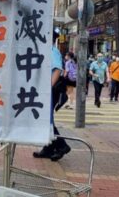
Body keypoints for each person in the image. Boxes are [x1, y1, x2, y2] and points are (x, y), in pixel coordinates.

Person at [33, 28, 70, 161]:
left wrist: (47, 87)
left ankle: (62, 146)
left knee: (45, 120)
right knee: (45, 120)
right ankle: (48, 148)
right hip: (47, 88)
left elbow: (57, 70)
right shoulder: (47, 49)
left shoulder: (52, 50)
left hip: (51, 89)